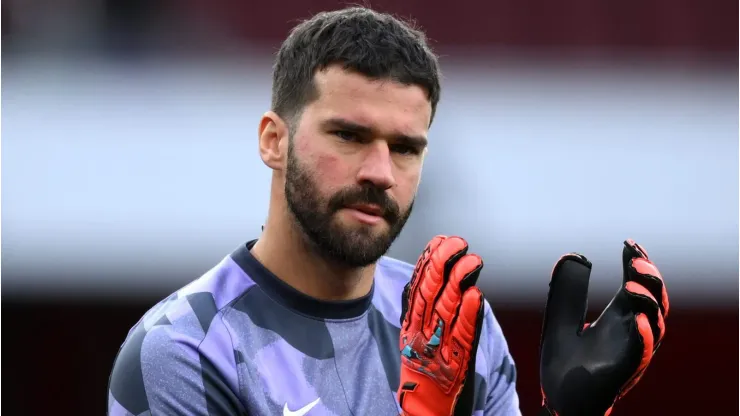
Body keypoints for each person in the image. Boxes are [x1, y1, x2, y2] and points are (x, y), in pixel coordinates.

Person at [107, 6, 669, 416]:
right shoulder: (187, 350)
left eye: (405, 148)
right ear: (273, 141)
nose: (380, 171)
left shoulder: (457, 334)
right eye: (349, 135)